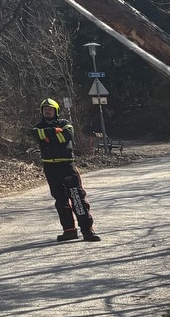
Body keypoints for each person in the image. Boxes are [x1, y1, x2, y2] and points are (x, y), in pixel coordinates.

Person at [33, 98, 101, 242]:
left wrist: (47, 136)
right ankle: (69, 230)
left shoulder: (65, 124)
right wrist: (54, 132)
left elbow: (66, 136)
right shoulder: (38, 127)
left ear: (56, 111)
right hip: (50, 168)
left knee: (77, 197)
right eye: (45, 109)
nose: (47, 111)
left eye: (50, 109)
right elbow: (36, 135)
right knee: (60, 200)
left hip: (67, 166)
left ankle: (87, 230)